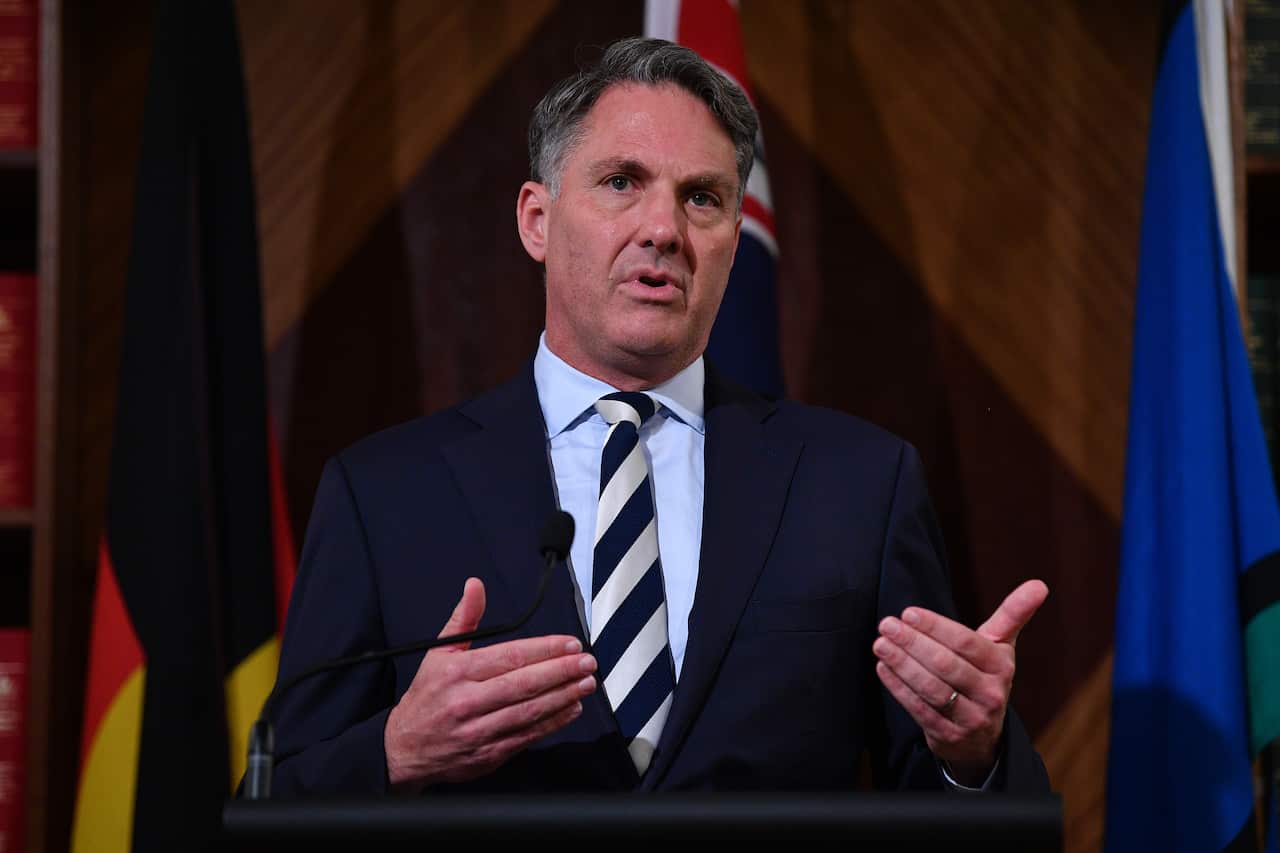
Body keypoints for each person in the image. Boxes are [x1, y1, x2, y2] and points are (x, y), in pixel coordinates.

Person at [266, 36, 1050, 797]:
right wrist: (396, 751)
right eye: (621, 182)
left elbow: (946, 794)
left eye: (701, 198)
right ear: (537, 220)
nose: (663, 231)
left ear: (733, 243)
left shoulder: (858, 486)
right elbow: (273, 801)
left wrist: (974, 755)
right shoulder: (383, 494)